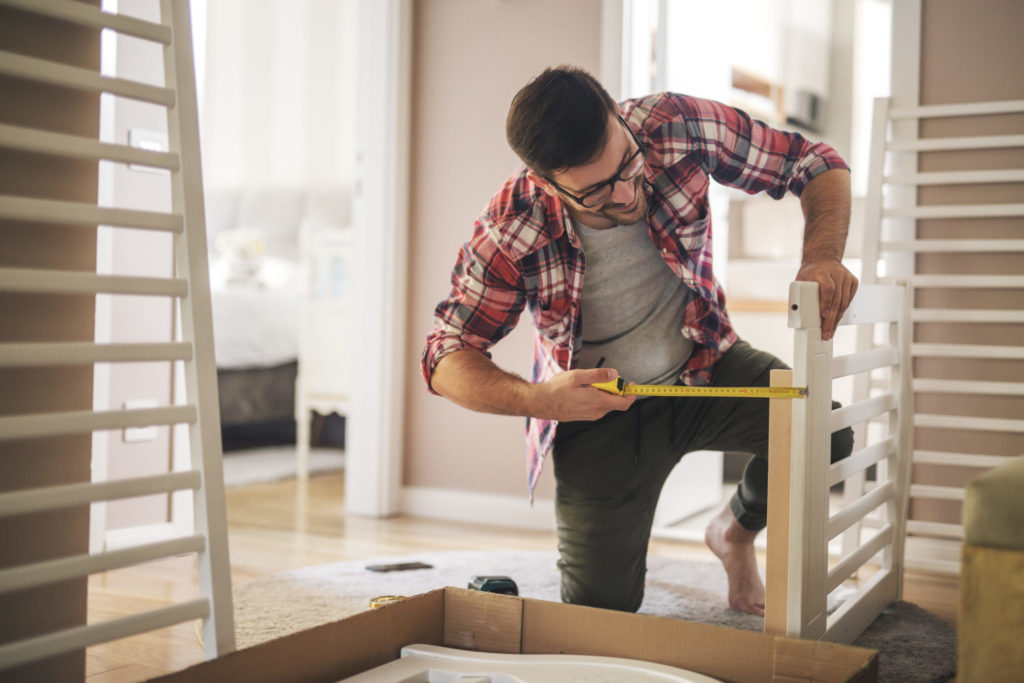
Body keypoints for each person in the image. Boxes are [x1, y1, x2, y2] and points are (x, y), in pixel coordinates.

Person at [421, 66, 857, 616]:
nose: (627, 193)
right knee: (599, 617)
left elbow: (816, 162)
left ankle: (734, 533)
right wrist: (541, 400)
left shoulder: (673, 125)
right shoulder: (513, 224)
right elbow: (445, 355)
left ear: (618, 120)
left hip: (705, 362)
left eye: (626, 162)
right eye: (598, 191)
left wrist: (822, 256)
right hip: (599, 417)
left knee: (824, 433)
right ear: (548, 183)